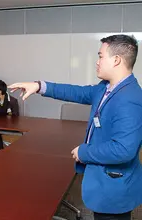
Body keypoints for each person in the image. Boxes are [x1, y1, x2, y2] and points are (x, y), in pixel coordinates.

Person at [9, 34, 142, 220]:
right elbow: (77, 92)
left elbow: (124, 149)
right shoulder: (107, 87)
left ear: (117, 60)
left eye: (101, 56)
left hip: (115, 188)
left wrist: (84, 152)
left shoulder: (130, 99)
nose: (97, 62)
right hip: (104, 181)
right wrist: (39, 86)